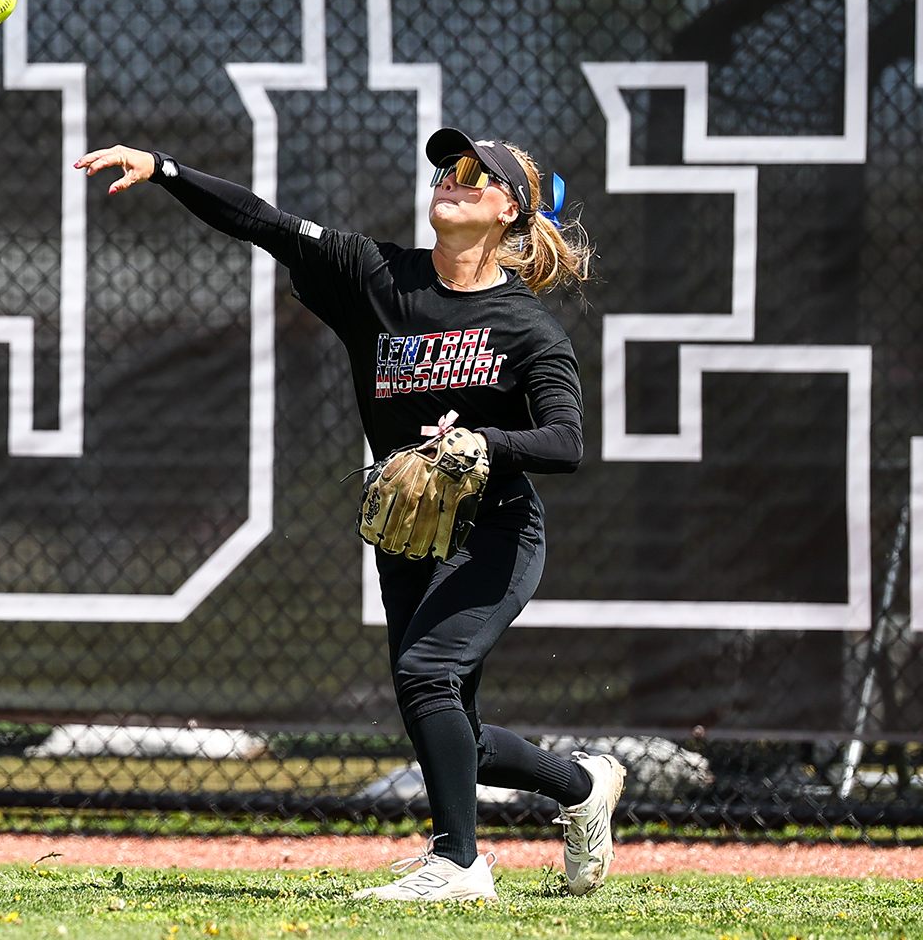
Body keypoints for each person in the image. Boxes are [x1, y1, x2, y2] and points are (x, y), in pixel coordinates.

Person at [75, 130, 624, 903]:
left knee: (426, 674)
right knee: (443, 721)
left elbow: (565, 441)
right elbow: (263, 221)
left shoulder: (526, 327)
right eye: (447, 167)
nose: (452, 179)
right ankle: (580, 786)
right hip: (408, 532)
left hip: (497, 531)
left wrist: (484, 442)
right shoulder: (376, 275)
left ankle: (460, 865)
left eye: (476, 175)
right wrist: (164, 170)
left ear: (509, 211)